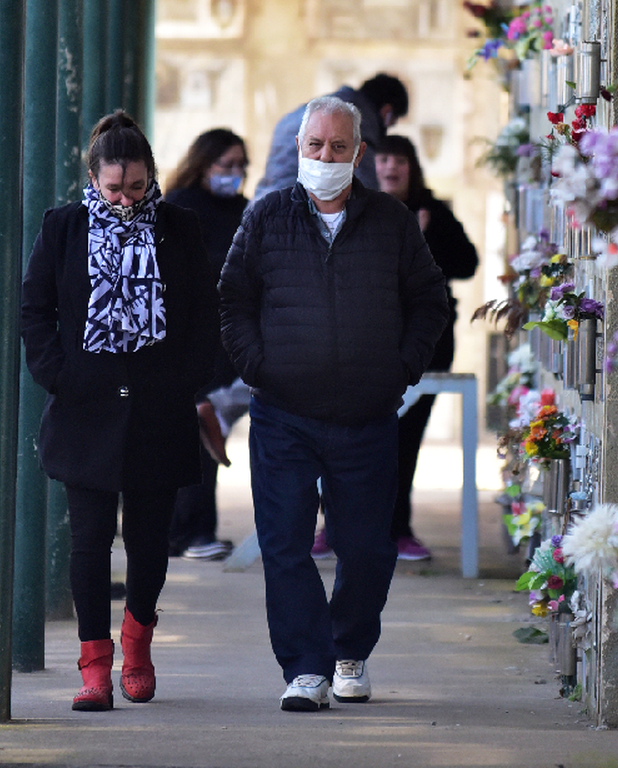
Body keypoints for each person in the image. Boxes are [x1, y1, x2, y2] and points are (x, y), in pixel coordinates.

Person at [220, 94, 450, 712]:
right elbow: (232, 299)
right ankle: (305, 669)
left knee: (367, 545)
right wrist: (257, 367)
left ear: (360, 154)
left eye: (339, 147)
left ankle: (349, 651)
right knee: (286, 541)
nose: (326, 156)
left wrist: (399, 370)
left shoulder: (392, 223)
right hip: (283, 412)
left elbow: (431, 301)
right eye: (315, 145)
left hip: (366, 415)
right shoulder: (265, 218)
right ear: (298, 148)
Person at [20, 111, 219, 713]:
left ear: (152, 177)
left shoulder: (179, 228)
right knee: (88, 541)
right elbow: (35, 311)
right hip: (86, 407)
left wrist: (185, 381)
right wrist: (62, 377)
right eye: (115, 189)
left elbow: (203, 316)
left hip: (159, 407)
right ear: (93, 177)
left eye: (137, 187)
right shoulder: (64, 228)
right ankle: (95, 667)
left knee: (150, 539)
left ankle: (138, 650)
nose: (127, 199)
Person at [371, 134, 478, 561]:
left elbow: (467, 264)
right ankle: (335, 527)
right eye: (383, 159)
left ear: (412, 167)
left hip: (424, 343)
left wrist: (423, 242)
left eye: (399, 159)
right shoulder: (355, 207)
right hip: (368, 341)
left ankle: (398, 529)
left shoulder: (435, 213)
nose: (391, 168)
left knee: (406, 438)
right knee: (347, 440)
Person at [163, 128, 253, 561]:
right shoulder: (179, 206)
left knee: (207, 427)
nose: (235, 174)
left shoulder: (244, 210)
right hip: (185, 335)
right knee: (196, 428)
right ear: (204, 164)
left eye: (241, 166)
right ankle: (189, 532)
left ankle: (193, 531)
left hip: (227, 339)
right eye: (227, 165)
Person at [252, 72, 409, 200]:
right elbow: (365, 188)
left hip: (264, 207)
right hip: (293, 219)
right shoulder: (355, 119)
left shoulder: (302, 112)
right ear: (387, 112)